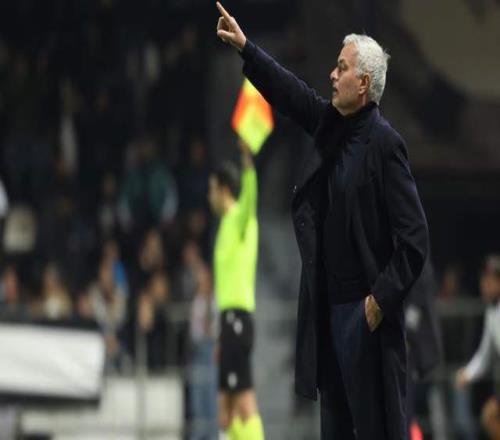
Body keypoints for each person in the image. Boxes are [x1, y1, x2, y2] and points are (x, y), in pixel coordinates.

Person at [215, 3, 429, 439]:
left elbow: (415, 239)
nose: (332, 74)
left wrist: (378, 302)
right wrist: (247, 49)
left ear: (363, 83)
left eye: (342, 67)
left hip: (365, 318)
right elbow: (290, 93)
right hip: (329, 312)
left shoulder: (386, 146)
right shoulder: (331, 127)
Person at [208, 139, 264, 439]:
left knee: (242, 403)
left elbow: (251, 195)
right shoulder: (225, 226)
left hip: (238, 319)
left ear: (222, 189)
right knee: (226, 407)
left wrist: (247, 161)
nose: (209, 196)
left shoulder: (242, 218)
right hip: (227, 321)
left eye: (211, 189)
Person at [455, 255, 500, 439]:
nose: (484, 284)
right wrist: (469, 373)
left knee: (490, 416)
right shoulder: (492, 310)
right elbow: (485, 353)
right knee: (489, 417)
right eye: (484, 279)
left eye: (490, 280)